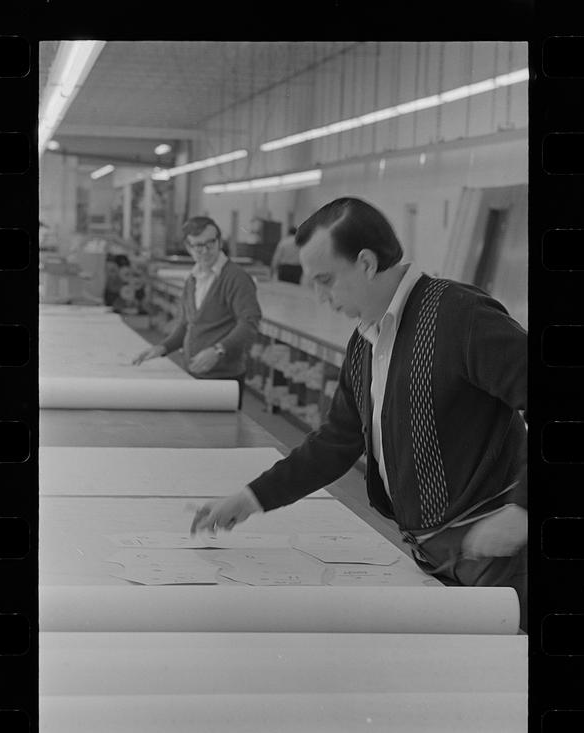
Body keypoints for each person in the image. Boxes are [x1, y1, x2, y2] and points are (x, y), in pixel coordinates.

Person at [191, 197, 528, 630]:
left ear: (366, 263)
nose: (319, 297)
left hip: (503, 558)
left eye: (326, 280)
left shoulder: (460, 317)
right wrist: (251, 498)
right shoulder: (366, 342)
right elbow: (337, 440)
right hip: (439, 557)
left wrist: (522, 512)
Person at [133, 216, 261, 409]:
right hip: (194, 372)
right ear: (188, 247)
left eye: (210, 243)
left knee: (220, 435)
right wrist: (163, 348)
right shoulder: (193, 279)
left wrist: (219, 350)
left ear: (219, 241)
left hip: (224, 378)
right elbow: (187, 324)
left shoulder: (236, 278)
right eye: (197, 245)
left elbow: (249, 323)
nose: (205, 251)